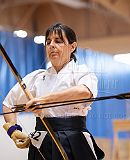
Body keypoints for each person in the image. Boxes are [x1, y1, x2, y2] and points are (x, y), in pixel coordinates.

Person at [2, 23, 105, 160]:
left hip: (73, 140)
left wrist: (43, 100)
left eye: (58, 41)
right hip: (41, 141)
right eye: (48, 42)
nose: (51, 45)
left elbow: (84, 91)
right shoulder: (37, 77)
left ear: (72, 46)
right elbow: (9, 104)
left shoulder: (81, 71)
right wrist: (13, 130)